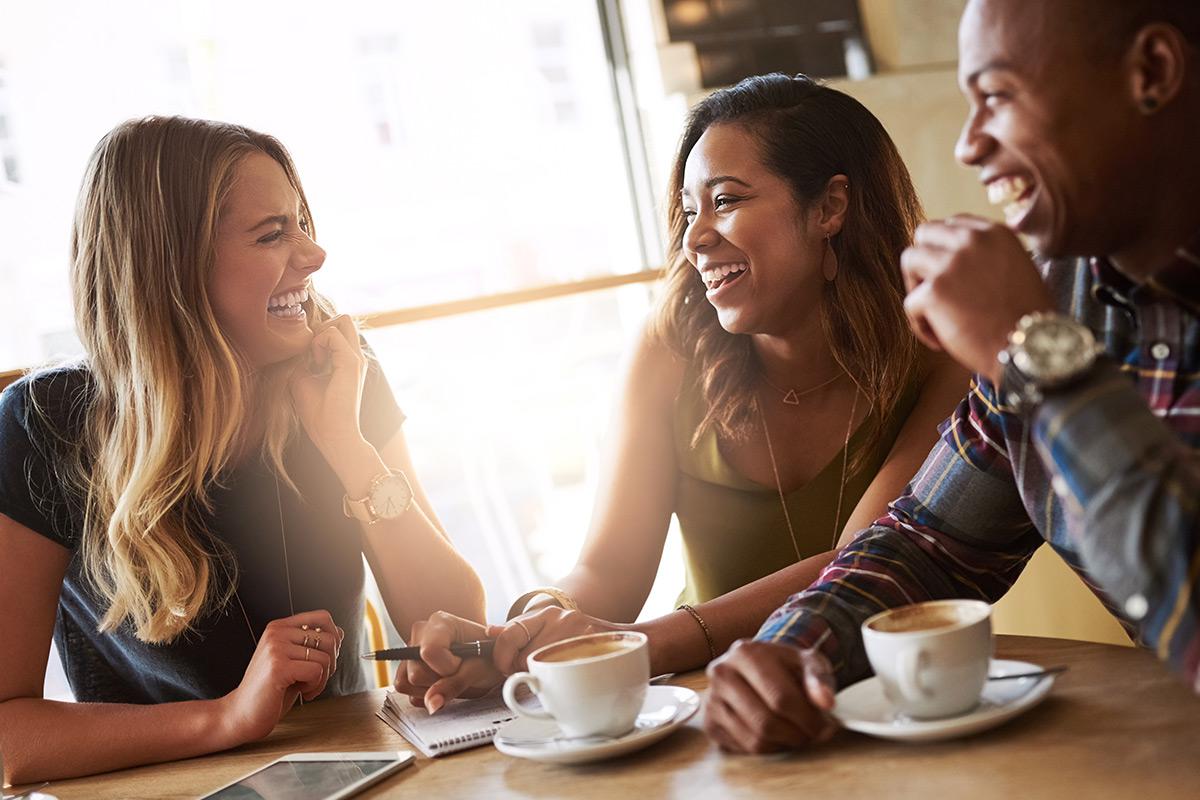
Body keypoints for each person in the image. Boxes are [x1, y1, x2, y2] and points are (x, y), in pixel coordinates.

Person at [703, 0, 1200, 753]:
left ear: (1152, 73)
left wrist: (1033, 353)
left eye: (996, 96)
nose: (969, 145)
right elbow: (931, 539)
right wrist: (792, 647)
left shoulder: (1033, 325)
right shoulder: (1061, 289)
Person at [396, 74, 967, 712]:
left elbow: (865, 566)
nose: (694, 238)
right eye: (691, 210)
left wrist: (649, 644)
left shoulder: (943, 350)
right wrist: (528, 630)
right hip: (710, 707)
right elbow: (608, 573)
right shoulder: (672, 344)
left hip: (905, 697)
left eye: (726, 200)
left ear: (831, 207)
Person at [0, 116, 485, 784]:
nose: (313, 255)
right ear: (170, 266)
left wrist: (347, 444)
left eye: (302, 224)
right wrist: (229, 717)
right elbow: (10, 734)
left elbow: (460, 626)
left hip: (352, 777)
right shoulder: (43, 424)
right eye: (273, 234)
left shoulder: (335, 371)